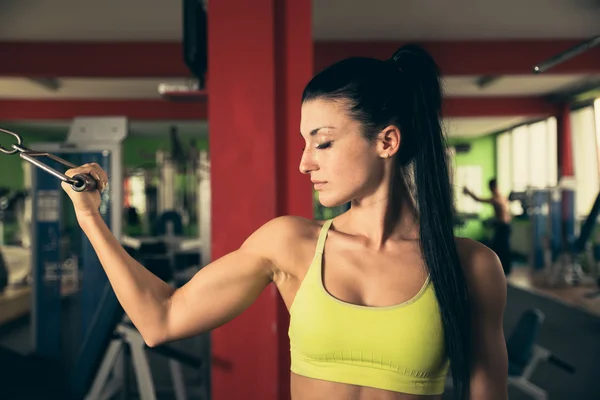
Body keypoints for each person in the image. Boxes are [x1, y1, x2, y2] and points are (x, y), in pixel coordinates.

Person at [62, 45, 508, 400]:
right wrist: (89, 217)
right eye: (304, 143)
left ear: (387, 140)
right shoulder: (290, 244)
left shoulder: (471, 266)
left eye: (324, 143)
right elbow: (159, 320)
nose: (304, 163)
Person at [463, 179, 513, 275]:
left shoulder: (496, 199)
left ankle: (503, 269)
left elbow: (478, 199)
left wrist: (469, 192)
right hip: (505, 226)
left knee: (499, 247)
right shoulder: (503, 198)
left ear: (492, 187)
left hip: (503, 226)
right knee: (502, 247)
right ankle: (504, 269)